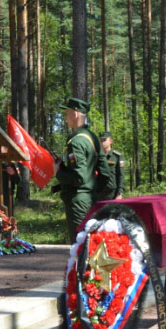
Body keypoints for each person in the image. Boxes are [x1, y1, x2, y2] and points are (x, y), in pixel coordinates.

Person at [53, 97, 97, 242]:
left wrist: (58, 172)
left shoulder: (76, 141)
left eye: (67, 114)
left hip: (78, 200)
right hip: (90, 197)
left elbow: (79, 178)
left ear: (76, 114)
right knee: (88, 243)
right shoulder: (91, 137)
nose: (65, 118)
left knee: (80, 244)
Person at [94, 131, 124, 201]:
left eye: (104, 140)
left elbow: (121, 175)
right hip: (99, 192)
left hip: (112, 193)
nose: (102, 143)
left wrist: (119, 193)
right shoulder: (96, 156)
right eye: (101, 140)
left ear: (110, 141)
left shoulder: (117, 156)